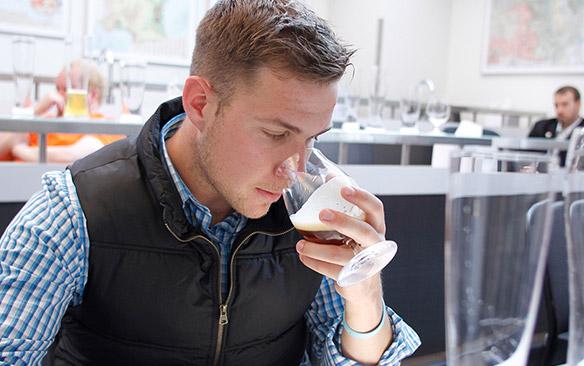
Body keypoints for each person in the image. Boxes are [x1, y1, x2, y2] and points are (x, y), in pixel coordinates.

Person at [0, 1, 420, 365]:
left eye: (312, 139)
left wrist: (364, 293)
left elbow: (353, 360)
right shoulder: (71, 213)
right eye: (276, 134)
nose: (295, 167)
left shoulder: (311, 218)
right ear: (200, 104)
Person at [0, 59, 123, 163]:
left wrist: (18, 149)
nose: (57, 95)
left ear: (92, 94)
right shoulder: (43, 122)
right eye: (57, 88)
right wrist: (35, 112)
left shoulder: (104, 125)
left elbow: (74, 155)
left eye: (66, 89)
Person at [528, 86, 584, 165]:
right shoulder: (541, 126)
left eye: (565, 104)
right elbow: (527, 156)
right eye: (556, 105)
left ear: (578, 104)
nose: (559, 110)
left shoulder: (582, 131)